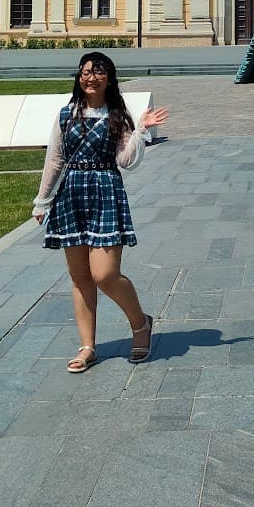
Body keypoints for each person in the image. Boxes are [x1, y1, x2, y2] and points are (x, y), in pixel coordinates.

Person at [32, 51, 169, 372]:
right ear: (78, 78)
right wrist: (42, 200)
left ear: (109, 79)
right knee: (80, 277)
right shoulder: (66, 115)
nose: (90, 78)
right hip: (72, 196)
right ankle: (87, 346)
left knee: (104, 274)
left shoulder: (118, 117)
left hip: (106, 193)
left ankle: (140, 324)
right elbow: (55, 159)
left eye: (98, 72)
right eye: (85, 72)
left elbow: (126, 162)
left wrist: (141, 131)